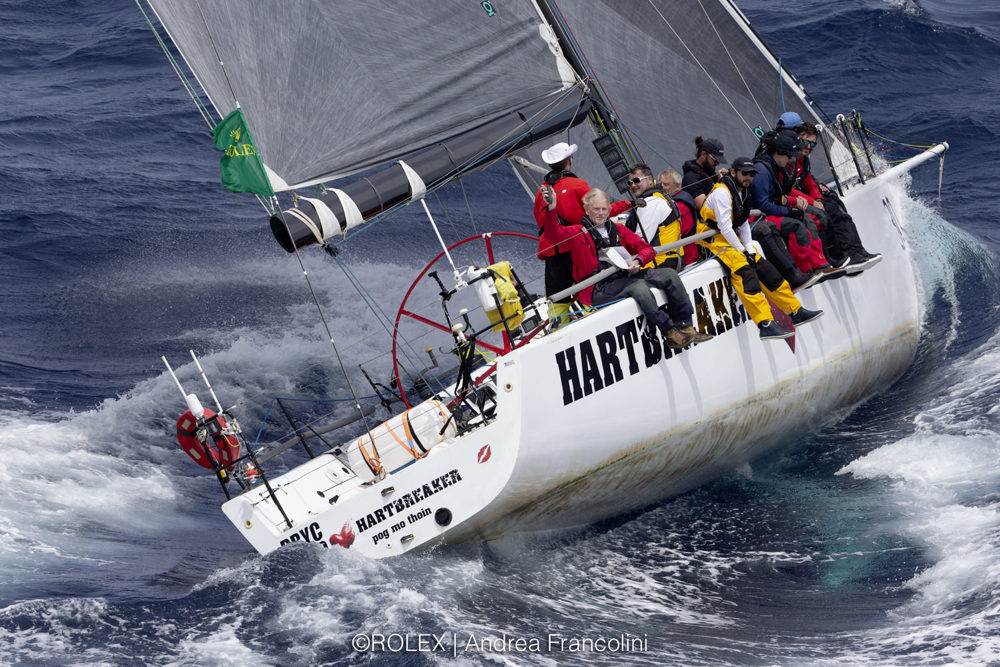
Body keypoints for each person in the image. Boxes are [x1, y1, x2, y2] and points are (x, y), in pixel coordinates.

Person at [539, 185, 712, 348]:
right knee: (638, 287)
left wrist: (638, 261)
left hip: (623, 277)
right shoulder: (577, 233)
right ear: (587, 210)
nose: (600, 213)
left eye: (604, 209)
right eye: (596, 209)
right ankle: (670, 332)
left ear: (609, 210)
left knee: (669, 275)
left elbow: (646, 249)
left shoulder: (617, 230)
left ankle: (686, 326)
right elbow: (554, 235)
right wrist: (552, 209)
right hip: (596, 288)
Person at [699, 157, 823, 340]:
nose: (748, 177)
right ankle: (764, 323)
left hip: (730, 238)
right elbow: (725, 226)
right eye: (745, 173)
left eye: (752, 174)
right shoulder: (722, 193)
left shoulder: (743, 192)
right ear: (733, 172)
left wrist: (748, 248)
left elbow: (742, 223)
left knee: (765, 268)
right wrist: (741, 251)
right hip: (711, 241)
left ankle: (795, 311)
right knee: (744, 271)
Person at [532, 142, 632, 326]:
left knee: (558, 297)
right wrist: (629, 204)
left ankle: (558, 330)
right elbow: (598, 212)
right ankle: (601, 324)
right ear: (570, 160)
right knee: (589, 287)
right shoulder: (578, 185)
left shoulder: (541, 192)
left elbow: (543, 223)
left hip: (552, 251)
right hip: (576, 247)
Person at [749, 131, 845, 276]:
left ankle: (820, 264)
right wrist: (789, 211)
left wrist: (793, 203)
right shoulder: (762, 171)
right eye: (789, 156)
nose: (790, 160)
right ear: (779, 153)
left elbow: (780, 195)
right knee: (797, 227)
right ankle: (803, 271)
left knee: (808, 220)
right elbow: (763, 205)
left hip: (773, 210)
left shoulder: (776, 166)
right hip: (758, 218)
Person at [790, 122, 882, 272]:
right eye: (805, 141)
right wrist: (814, 201)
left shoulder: (803, 159)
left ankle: (857, 250)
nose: (809, 147)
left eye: (813, 144)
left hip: (805, 198)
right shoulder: (790, 159)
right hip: (793, 202)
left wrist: (818, 199)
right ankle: (843, 255)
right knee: (826, 214)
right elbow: (788, 189)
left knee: (835, 206)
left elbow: (810, 183)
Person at [624, 163, 682, 270]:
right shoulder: (660, 195)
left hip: (661, 263)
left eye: (637, 180)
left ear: (650, 179)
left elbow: (640, 242)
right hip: (673, 258)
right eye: (630, 182)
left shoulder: (649, 203)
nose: (633, 185)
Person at [658, 168, 701, 267]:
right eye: (660, 185)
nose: (662, 188)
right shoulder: (677, 199)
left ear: (677, 186)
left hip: (687, 257)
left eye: (666, 184)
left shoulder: (679, 206)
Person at [682, 136, 726, 208]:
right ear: (703, 154)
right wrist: (721, 185)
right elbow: (704, 208)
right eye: (715, 159)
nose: (718, 163)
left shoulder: (710, 173)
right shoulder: (691, 179)